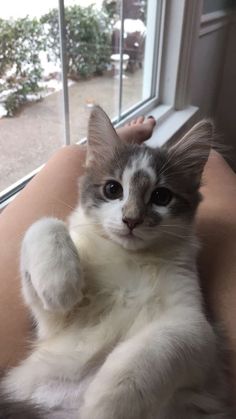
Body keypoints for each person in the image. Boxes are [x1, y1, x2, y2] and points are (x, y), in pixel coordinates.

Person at [0, 115, 235, 399]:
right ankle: (119, 145)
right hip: (40, 391)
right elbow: (54, 302)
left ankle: (122, 144)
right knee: (47, 222)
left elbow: (192, 334)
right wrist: (44, 235)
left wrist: (129, 381)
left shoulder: (177, 255)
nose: (132, 216)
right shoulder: (79, 235)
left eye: (160, 197)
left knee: (67, 155)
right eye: (114, 190)